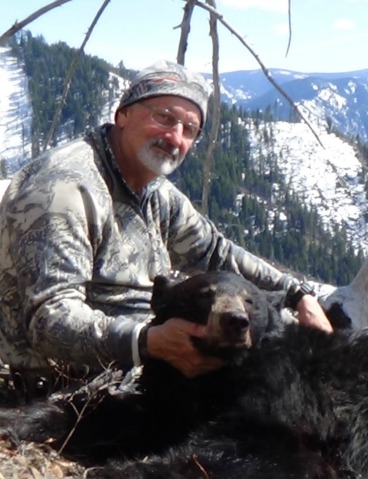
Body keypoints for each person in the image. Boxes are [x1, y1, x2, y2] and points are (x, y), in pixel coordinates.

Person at [0, 59, 332, 398]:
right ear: (122, 114)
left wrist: (297, 294)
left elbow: (215, 253)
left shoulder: (152, 189)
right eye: (164, 117)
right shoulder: (65, 191)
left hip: (143, 355)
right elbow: (49, 321)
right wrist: (147, 342)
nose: (174, 137)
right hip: (65, 382)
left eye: (189, 129)